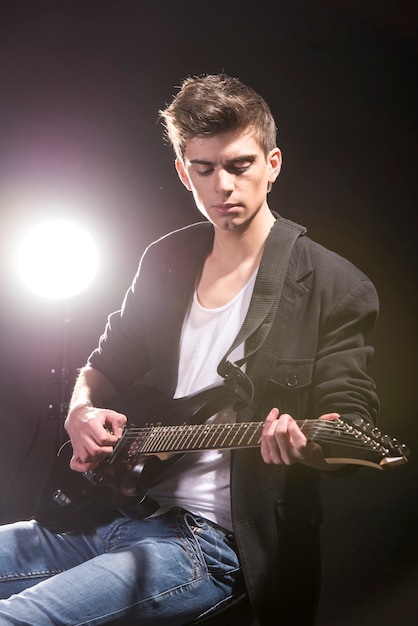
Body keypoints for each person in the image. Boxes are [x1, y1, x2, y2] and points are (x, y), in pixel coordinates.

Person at [0, 73, 379, 625]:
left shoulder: (334, 286)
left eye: (240, 165)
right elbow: (104, 365)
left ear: (272, 165)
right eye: (205, 169)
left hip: (213, 544)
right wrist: (81, 411)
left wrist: (308, 447)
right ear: (184, 173)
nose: (223, 185)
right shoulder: (166, 260)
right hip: (116, 507)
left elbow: (349, 419)